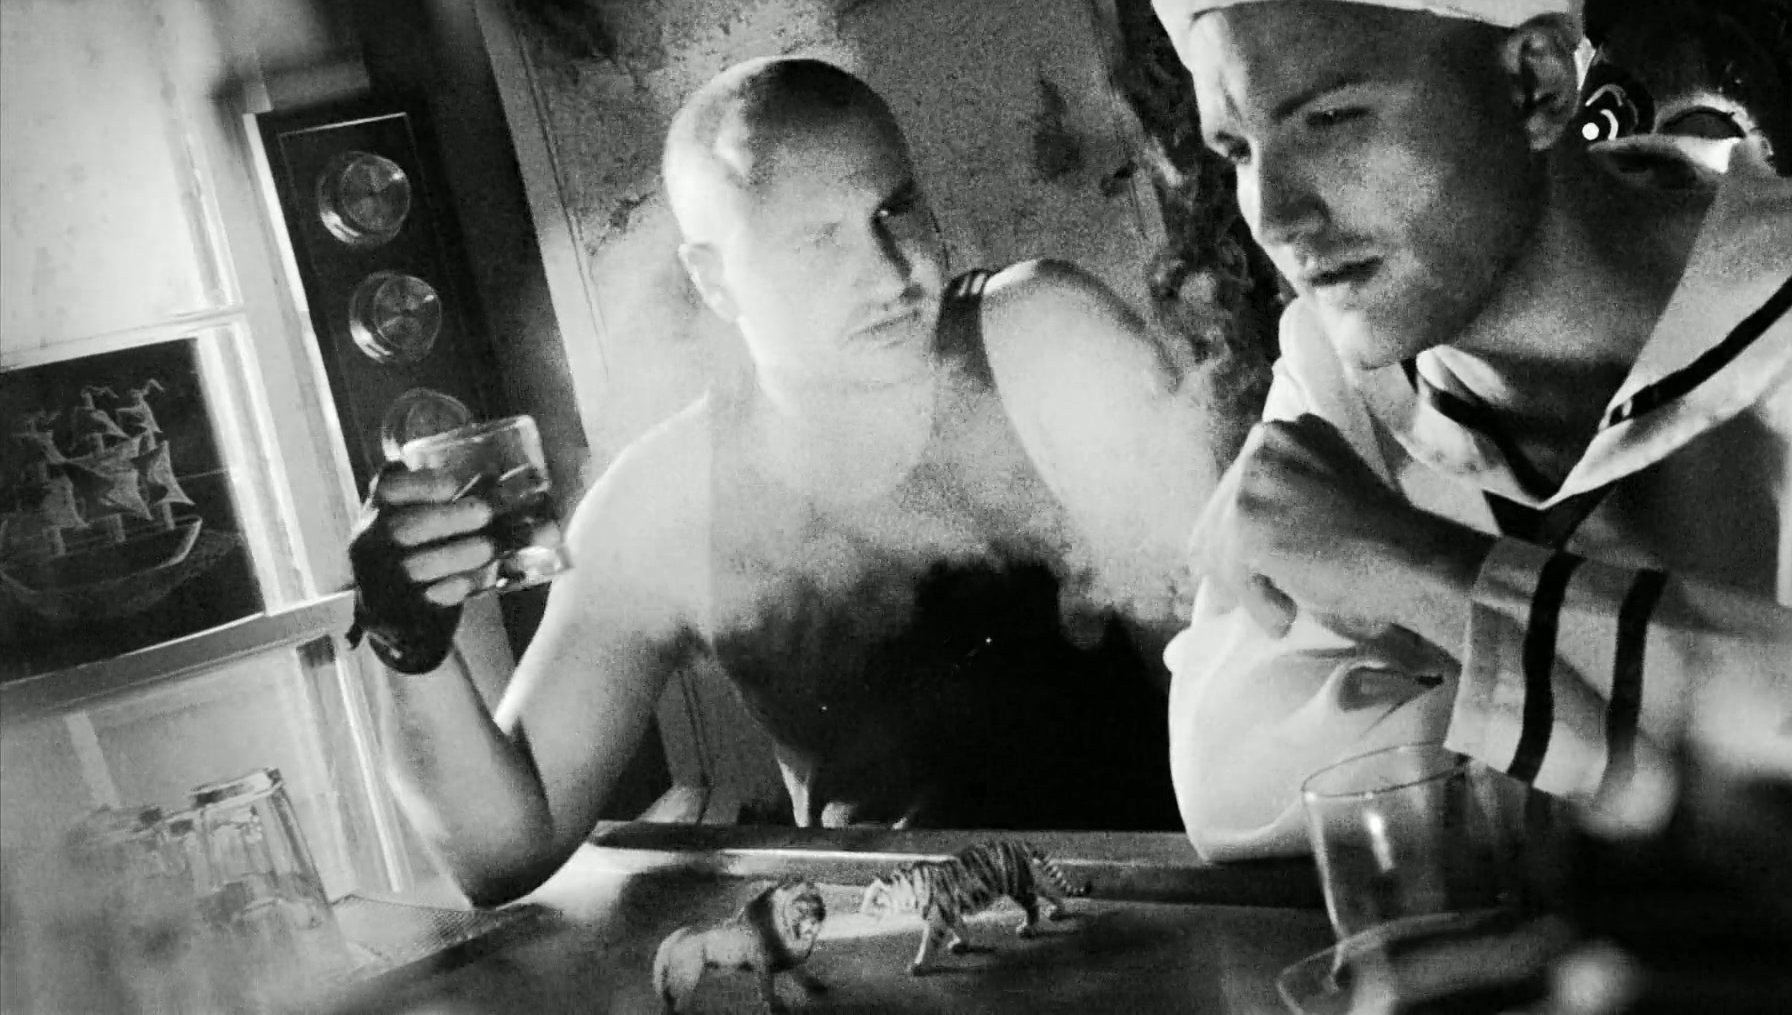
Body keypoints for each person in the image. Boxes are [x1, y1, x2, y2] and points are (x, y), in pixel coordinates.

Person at [1148, 0, 1792, 953]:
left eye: (1330, 117)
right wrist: (1739, 707)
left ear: (1536, 83)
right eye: (1238, 150)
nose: (1276, 215)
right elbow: (1239, 786)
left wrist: (1419, 573)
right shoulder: (1341, 364)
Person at [348, 56, 1220, 906]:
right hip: (885, 957)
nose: (892, 272)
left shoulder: (1044, 342)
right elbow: (501, 853)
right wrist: (409, 646)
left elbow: (1231, 700)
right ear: (714, 279)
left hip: (1158, 924)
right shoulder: (669, 499)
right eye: (816, 241)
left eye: (895, 208)